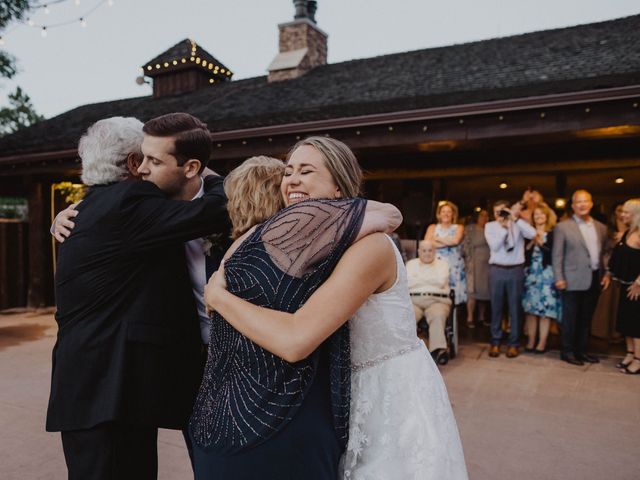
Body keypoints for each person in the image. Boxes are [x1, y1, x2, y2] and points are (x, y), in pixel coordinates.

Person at [193, 137, 468, 479]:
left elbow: (296, 337)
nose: (291, 180)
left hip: (386, 394)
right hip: (334, 389)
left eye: (306, 171)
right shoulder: (311, 242)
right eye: (288, 171)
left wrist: (219, 298)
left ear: (339, 186)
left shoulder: (370, 246)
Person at [46, 114, 230, 480]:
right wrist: (208, 175)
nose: (147, 166)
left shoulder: (89, 210)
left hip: (97, 388)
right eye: (144, 158)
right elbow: (216, 210)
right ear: (133, 163)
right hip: (108, 391)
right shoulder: (129, 200)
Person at [552, 190, 608, 366]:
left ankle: (582, 351)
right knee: (570, 319)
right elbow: (557, 255)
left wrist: (607, 273)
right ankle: (567, 352)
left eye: (585, 201)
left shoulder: (601, 227)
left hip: (594, 278)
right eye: (578, 202)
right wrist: (559, 277)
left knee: (585, 319)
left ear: (591, 204)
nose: (582, 205)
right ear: (573, 206)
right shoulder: (563, 227)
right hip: (571, 279)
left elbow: (605, 253)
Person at [485, 199, 536, 358]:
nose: (500, 215)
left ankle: (514, 343)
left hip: (516, 270)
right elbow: (495, 246)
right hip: (497, 270)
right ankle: (495, 341)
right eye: (496, 212)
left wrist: (515, 219)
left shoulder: (518, 224)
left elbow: (533, 234)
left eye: (503, 211)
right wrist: (504, 228)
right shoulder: (490, 226)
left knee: (515, 309)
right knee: (497, 308)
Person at [603, 199, 640, 374]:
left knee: (636, 326)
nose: (622, 215)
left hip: (636, 288)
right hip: (625, 286)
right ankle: (630, 354)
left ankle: (639, 361)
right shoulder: (626, 233)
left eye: (626, 212)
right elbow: (617, 258)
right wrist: (609, 274)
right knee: (626, 324)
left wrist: (639, 283)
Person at [522, 204, 561, 353]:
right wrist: (532, 241)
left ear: (547, 216)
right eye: (536, 214)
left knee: (545, 311)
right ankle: (531, 340)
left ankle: (542, 342)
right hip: (531, 275)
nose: (539, 217)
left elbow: (553, 253)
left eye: (541, 214)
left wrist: (540, 242)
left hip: (547, 275)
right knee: (531, 310)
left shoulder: (553, 233)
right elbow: (524, 254)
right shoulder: (529, 234)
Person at [407, 239, 452, 364]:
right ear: (419, 251)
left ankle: (437, 351)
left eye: (430, 250)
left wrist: (417, 279)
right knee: (406, 315)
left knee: (437, 315)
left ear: (435, 251)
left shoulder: (443, 264)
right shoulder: (411, 264)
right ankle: (408, 350)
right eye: (424, 250)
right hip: (414, 300)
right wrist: (431, 279)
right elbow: (408, 282)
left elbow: (440, 281)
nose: (427, 253)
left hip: (437, 300)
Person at [591, 202, 627, 340]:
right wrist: (607, 271)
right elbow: (604, 252)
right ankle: (610, 334)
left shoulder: (634, 231)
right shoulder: (608, 231)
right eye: (619, 210)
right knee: (609, 304)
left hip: (628, 271)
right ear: (615, 213)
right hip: (611, 270)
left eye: (625, 210)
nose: (622, 213)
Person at [424, 200, 467, 305]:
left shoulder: (459, 227)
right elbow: (427, 244)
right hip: (436, 265)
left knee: (454, 298)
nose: (446, 214)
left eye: (449, 212)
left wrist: (437, 238)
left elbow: (456, 241)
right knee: (436, 296)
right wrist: (448, 241)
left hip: (454, 266)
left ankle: (454, 320)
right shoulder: (432, 227)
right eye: (443, 211)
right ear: (439, 214)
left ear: (453, 214)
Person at [463, 209, 490, 328]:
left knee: (484, 291)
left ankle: (481, 317)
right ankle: (470, 317)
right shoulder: (470, 229)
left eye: (487, 216)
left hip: (488, 263)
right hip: (473, 263)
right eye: (482, 216)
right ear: (477, 217)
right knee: (472, 291)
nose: (484, 218)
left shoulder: (491, 229)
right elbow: (465, 245)